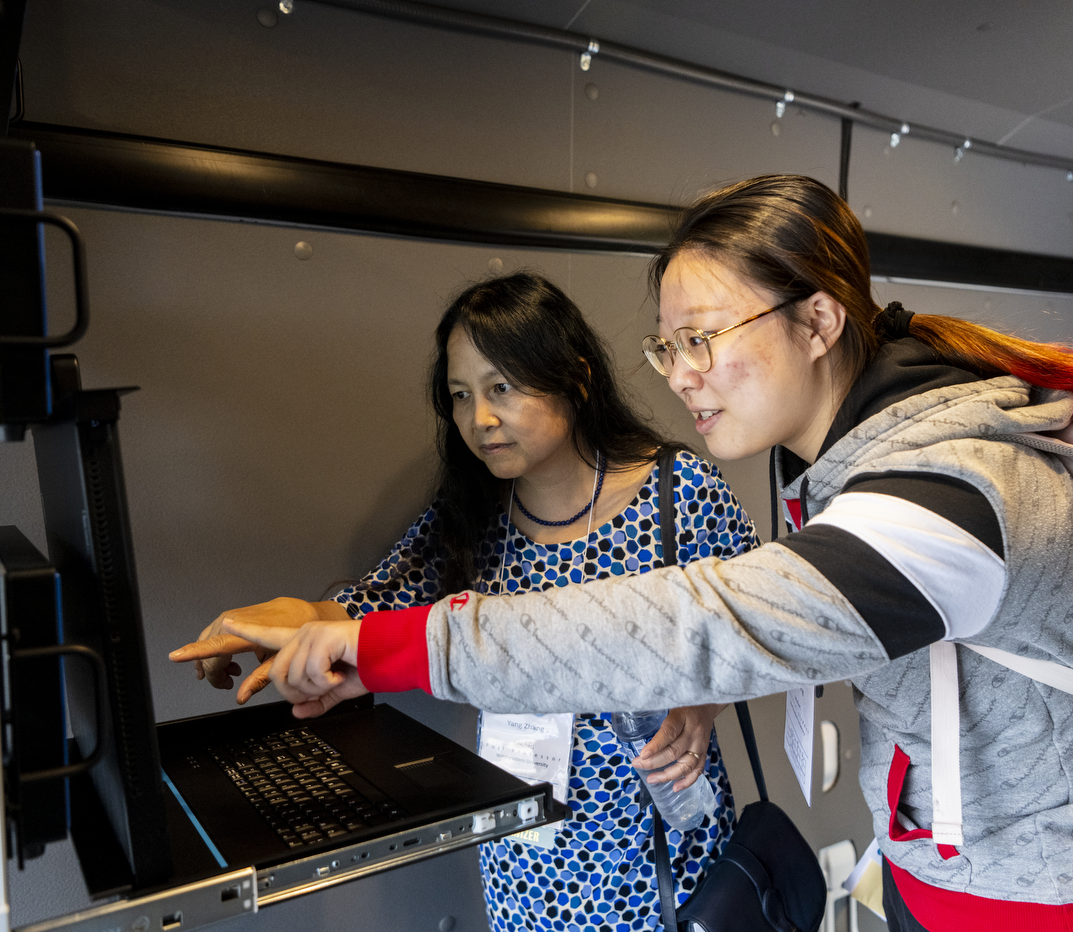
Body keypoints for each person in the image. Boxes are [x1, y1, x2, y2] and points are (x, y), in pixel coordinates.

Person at [209, 176, 1073, 932]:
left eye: (701, 338)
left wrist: (369, 646)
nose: (680, 374)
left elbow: (697, 625)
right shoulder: (845, 468)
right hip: (945, 875)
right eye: (665, 346)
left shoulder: (945, 495)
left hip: (1061, 899)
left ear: (817, 320)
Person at [171, 272, 762, 932]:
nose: (479, 419)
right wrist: (301, 619)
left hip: (656, 847)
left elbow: (764, 628)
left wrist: (699, 706)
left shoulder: (678, 492)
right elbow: (375, 606)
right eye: (460, 396)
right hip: (522, 849)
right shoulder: (474, 512)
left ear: (574, 375)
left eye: (500, 388)